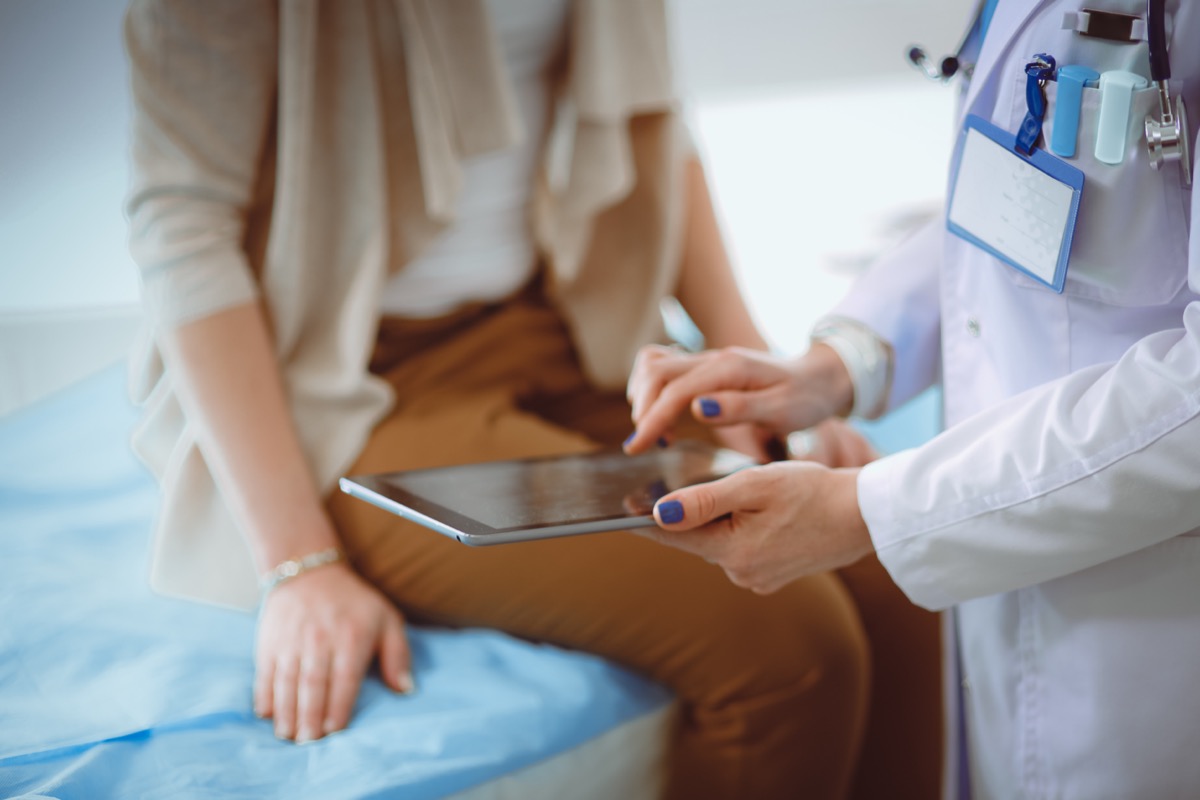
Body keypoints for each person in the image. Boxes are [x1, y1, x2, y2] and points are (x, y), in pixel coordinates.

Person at [122, 1, 941, 797]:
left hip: (567, 321)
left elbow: (653, 121)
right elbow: (183, 226)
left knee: (895, 567)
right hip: (353, 381)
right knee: (793, 646)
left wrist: (760, 377)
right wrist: (298, 566)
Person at [626, 0, 1200, 797]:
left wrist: (876, 511)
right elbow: (1029, 197)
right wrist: (835, 364)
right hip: (1023, 574)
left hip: (1159, 643)